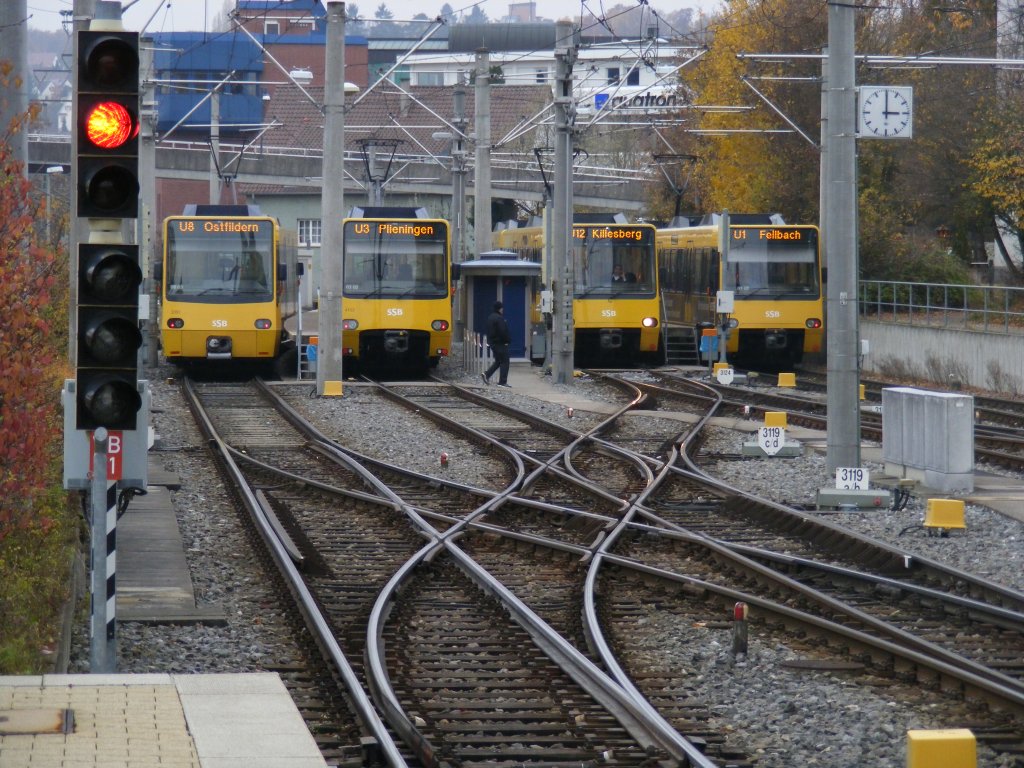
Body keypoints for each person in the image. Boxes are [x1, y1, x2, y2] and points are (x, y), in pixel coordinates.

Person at [481, 300, 511, 387]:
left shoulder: (490, 317)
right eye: (502, 308)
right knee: (505, 361)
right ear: (499, 308)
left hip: (493, 343)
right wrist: (507, 340)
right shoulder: (499, 318)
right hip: (500, 343)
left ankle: (486, 374)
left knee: (498, 361)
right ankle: (502, 382)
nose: (503, 310)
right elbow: (503, 331)